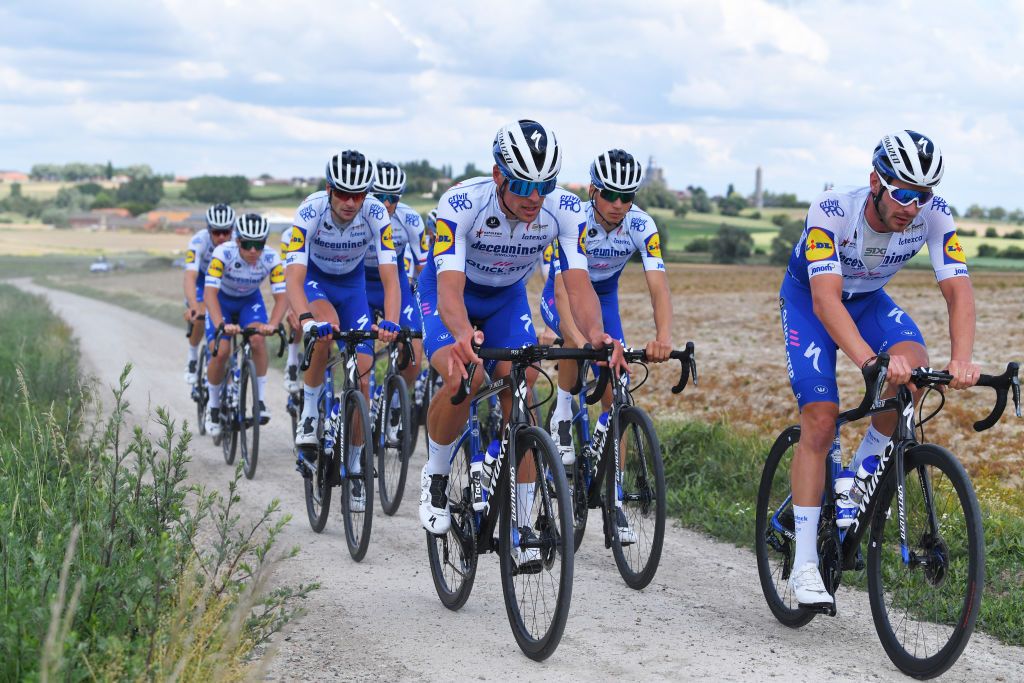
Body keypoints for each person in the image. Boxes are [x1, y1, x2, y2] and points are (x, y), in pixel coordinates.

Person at [779, 130, 979, 607]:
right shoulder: (833, 210)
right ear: (876, 181)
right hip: (812, 302)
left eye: (923, 194)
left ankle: (857, 476)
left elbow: (959, 291)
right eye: (903, 193)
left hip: (868, 301)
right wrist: (870, 362)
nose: (912, 206)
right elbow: (826, 300)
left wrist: (963, 359)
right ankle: (804, 565)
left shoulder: (934, 215)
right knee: (822, 419)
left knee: (915, 376)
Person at [416, 119, 625, 564]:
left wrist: (597, 336)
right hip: (450, 293)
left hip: (507, 298)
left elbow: (579, 284)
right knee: (463, 376)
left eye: (543, 185)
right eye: (522, 184)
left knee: (524, 390)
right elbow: (450, 290)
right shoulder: (461, 204)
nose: (534, 197)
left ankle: (522, 523)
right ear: (497, 176)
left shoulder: (564, 210)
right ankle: (435, 475)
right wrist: (460, 334)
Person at [540, 148, 673, 543]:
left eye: (627, 196)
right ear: (594, 190)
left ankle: (613, 499)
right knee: (575, 345)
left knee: (619, 393)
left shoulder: (641, 225)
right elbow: (563, 290)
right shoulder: (571, 219)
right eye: (610, 195)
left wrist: (664, 337)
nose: (618, 205)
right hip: (562, 292)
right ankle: (563, 413)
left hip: (605, 298)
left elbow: (658, 286)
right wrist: (581, 342)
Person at [284, 150, 401, 511]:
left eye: (358, 195)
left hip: (353, 289)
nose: (351, 203)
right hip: (316, 284)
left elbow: (390, 278)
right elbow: (293, 276)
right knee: (325, 331)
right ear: (329, 189)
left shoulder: (377, 214)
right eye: (343, 194)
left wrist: (392, 322)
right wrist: (304, 317)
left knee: (364, 380)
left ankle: (354, 468)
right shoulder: (309, 211)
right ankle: (309, 413)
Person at [203, 213, 287, 435]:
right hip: (222, 300)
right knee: (221, 352)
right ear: (238, 241)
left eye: (258, 244)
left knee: (258, 340)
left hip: (250, 301)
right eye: (248, 244)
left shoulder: (271, 258)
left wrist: (274, 323)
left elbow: (282, 297)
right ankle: (213, 407)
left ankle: (259, 402)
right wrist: (221, 323)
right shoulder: (222, 253)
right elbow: (209, 293)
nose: (253, 251)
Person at [365, 162, 428, 431]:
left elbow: (424, 265)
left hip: (396, 284)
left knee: (415, 344)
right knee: (362, 349)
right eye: (379, 197)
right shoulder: (357, 216)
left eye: (393, 198)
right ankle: (362, 402)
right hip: (361, 285)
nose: (386, 204)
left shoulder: (411, 219)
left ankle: (394, 403)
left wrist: (423, 295)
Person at [183, 203, 235, 383]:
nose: (221, 237)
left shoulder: (239, 242)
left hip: (226, 282)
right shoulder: (198, 241)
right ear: (208, 230)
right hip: (202, 280)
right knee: (201, 315)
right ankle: (192, 357)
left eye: (226, 231)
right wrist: (193, 305)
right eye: (216, 232)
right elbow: (190, 276)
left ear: (232, 230)